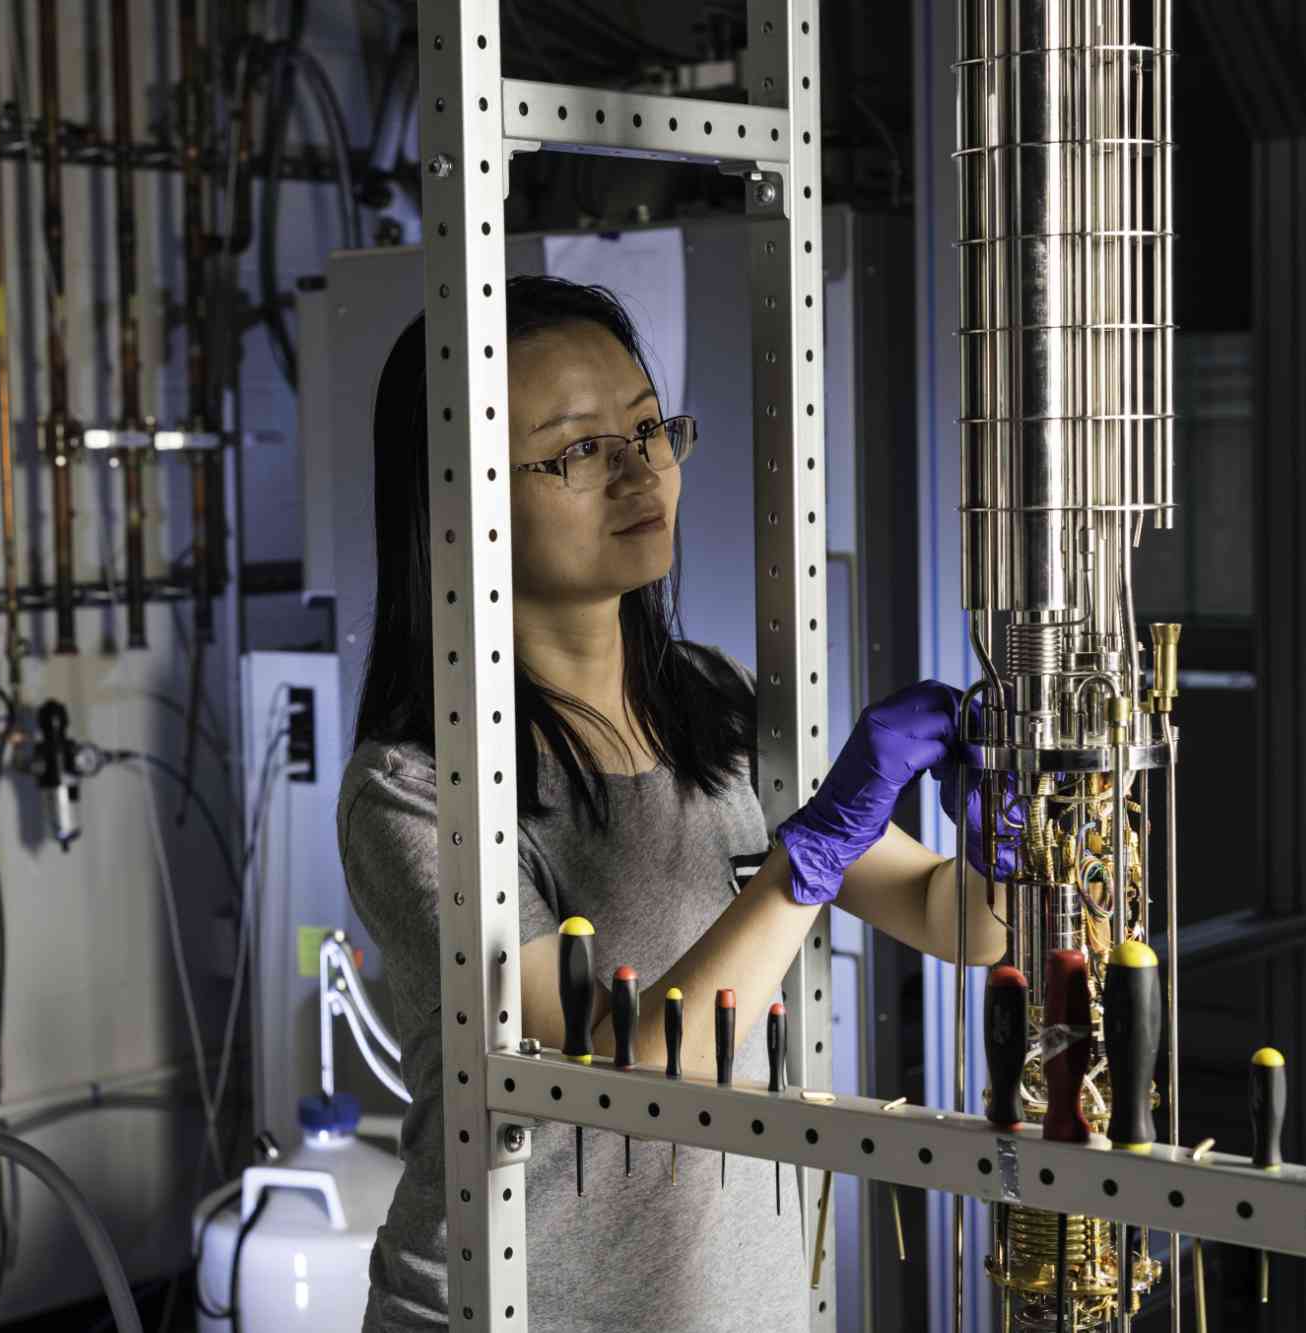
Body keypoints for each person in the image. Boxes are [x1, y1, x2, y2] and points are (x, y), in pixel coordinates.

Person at [337, 275, 1009, 1332]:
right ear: (458, 495)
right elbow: (627, 1060)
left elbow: (945, 917)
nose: (638, 470)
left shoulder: (713, 701)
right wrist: (813, 851)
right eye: (576, 451)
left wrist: (1003, 846)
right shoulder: (417, 788)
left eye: (647, 427)